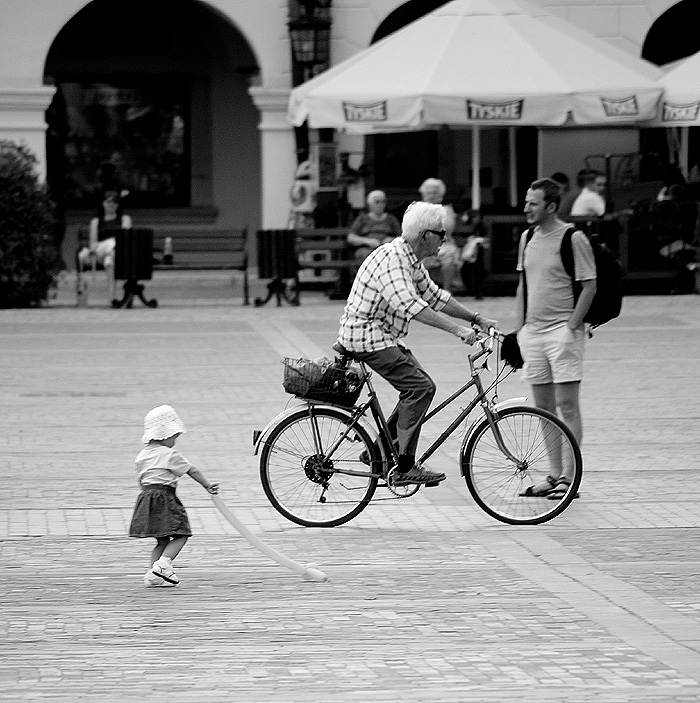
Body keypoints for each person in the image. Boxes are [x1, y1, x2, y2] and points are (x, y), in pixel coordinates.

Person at [337, 201, 498, 487]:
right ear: (425, 235)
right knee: (419, 387)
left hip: (382, 336)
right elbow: (412, 306)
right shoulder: (393, 259)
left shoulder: (411, 260)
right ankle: (403, 467)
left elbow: (436, 297)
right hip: (366, 336)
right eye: (441, 233)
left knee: (422, 385)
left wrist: (476, 318)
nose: (445, 239)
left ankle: (378, 451)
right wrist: (459, 331)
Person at [515, 178, 596, 498]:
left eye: (533, 203)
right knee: (543, 407)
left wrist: (572, 327)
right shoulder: (527, 237)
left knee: (567, 406)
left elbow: (589, 285)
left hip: (562, 332)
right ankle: (553, 475)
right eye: (526, 201)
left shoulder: (573, 238)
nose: (526, 208)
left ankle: (569, 479)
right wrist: (519, 330)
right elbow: (523, 286)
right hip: (533, 333)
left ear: (550, 206)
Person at [129, 405, 219, 587]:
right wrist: (207, 486)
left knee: (161, 540)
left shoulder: (141, 456)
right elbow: (191, 470)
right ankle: (163, 564)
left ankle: (152, 574)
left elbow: (142, 479)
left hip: (146, 499)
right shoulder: (169, 454)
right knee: (181, 534)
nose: (175, 441)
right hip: (165, 498)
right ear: (166, 435)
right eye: (175, 437)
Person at [418, 178, 461, 293]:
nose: (431, 196)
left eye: (435, 193)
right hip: (422, 244)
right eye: (429, 193)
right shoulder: (417, 210)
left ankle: (446, 291)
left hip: (443, 244)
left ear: (441, 195)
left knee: (450, 256)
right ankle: (422, 291)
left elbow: (447, 230)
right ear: (423, 195)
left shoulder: (446, 210)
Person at [347, 190, 401, 274]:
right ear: (370, 205)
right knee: (365, 255)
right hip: (367, 248)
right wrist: (367, 241)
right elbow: (351, 237)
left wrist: (392, 240)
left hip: (387, 249)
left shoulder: (391, 219)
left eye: (383, 201)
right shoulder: (362, 219)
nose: (381, 205)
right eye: (377, 202)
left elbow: (402, 237)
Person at [77, 189, 132, 271]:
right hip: (100, 252)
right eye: (108, 202)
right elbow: (93, 244)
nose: (111, 204)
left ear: (118, 205)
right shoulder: (96, 222)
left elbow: (125, 237)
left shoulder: (125, 219)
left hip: (117, 252)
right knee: (111, 244)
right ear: (103, 203)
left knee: (109, 260)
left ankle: (111, 283)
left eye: (114, 202)